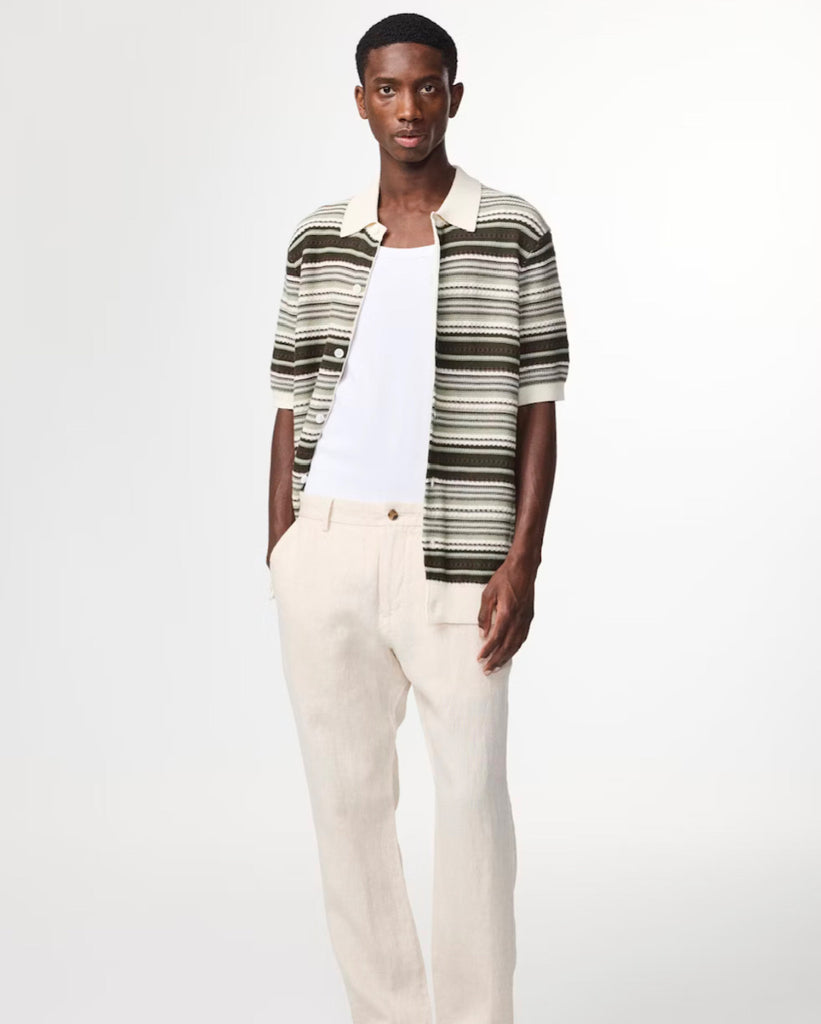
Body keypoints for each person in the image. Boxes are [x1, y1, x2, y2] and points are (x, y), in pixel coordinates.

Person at [266, 12, 570, 1024]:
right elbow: (289, 399)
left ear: (454, 95)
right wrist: (283, 548)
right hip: (329, 544)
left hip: (460, 555)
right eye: (388, 89)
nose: (409, 107)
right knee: (347, 808)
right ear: (360, 101)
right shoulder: (317, 238)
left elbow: (537, 405)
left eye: (427, 86)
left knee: (472, 804)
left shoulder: (513, 229)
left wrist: (521, 561)